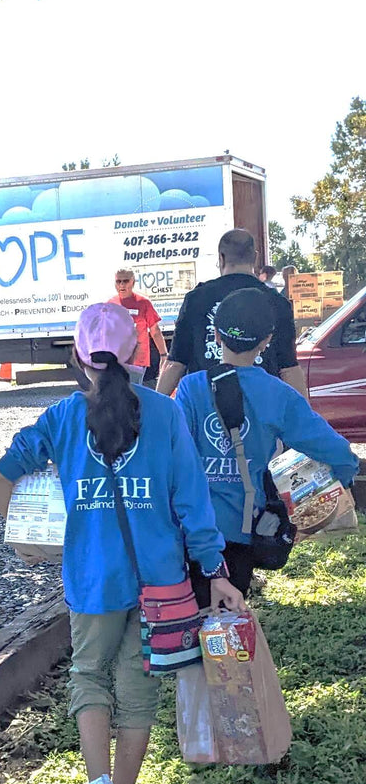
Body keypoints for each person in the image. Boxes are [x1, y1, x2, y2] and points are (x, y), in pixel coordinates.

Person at [0, 302, 243, 784]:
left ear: (80, 358)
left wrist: (35, 543)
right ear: (135, 354)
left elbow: (1, 478)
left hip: (91, 579)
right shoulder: (166, 413)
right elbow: (192, 503)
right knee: (136, 688)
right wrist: (215, 570)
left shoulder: (60, 417)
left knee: (88, 676)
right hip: (160, 584)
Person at [175, 288, 359, 608]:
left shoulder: (191, 388)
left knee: (184, 632)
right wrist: (331, 490)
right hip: (242, 536)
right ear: (266, 341)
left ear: (216, 335)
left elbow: (173, 459)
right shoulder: (278, 394)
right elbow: (339, 454)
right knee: (225, 635)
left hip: (188, 532)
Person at [156, 229, 308, 399]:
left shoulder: (196, 299)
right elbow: (289, 369)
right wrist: (307, 417)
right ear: (255, 257)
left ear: (221, 258)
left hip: (206, 410)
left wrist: (153, 410)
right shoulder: (277, 302)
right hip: (263, 406)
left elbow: (176, 364)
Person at [109, 269, 168, 383]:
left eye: (125, 281)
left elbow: (155, 331)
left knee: (134, 393)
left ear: (133, 282)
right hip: (117, 360)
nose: (121, 285)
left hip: (137, 360)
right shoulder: (110, 304)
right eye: (118, 281)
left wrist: (164, 354)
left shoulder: (143, 303)